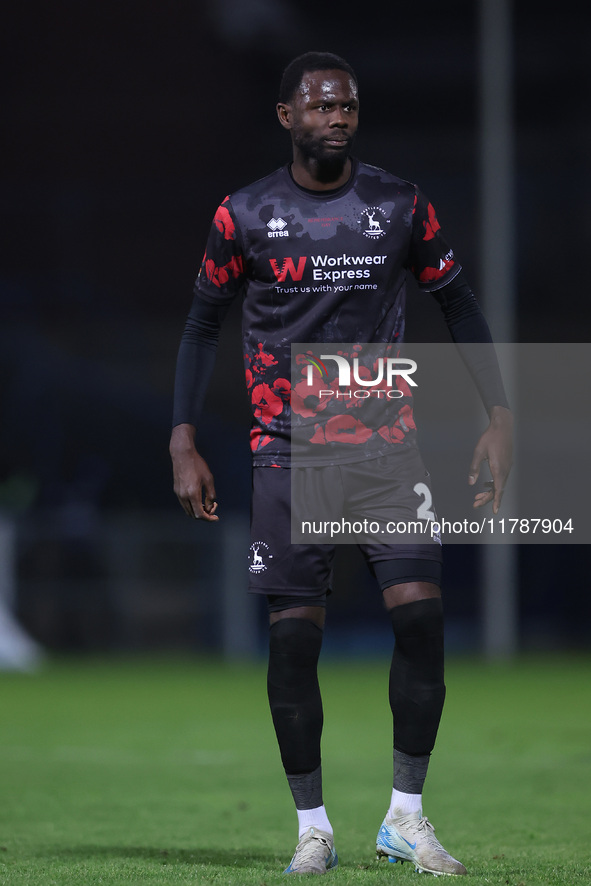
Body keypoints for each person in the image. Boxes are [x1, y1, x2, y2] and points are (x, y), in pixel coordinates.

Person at [169, 51, 512, 876]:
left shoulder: (397, 205)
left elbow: (456, 300)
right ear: (287, 116)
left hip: (386, 449)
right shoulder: (243, 214)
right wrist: (182, 437)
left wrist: (498, 415)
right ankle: (312, 829)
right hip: (285, 452)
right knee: (292, 645)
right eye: (321, 106)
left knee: (420, 620)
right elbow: (201, 324)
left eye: (348, 106)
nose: (337, 118)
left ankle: (405, 817)